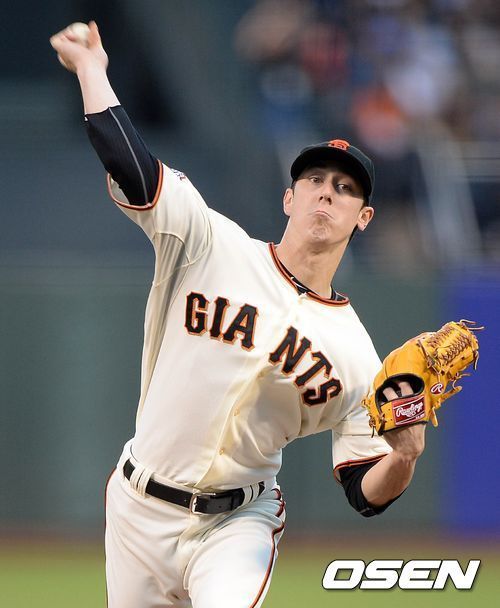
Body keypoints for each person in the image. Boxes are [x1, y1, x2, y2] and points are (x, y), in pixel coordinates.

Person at [50, 22, 427, 608]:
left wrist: (403, 455)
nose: (327, 192)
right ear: (288, 197)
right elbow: (135, 170)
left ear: (364, 218)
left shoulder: (357, 355)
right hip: (137, 508)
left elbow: (364, 490)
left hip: (238, 523)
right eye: (314, 179)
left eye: (346, 188)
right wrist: (92, 69)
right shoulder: (208, 243)